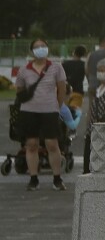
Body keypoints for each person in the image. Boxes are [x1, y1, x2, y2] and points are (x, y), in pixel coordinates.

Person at [15, 39, 68, 191]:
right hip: (29, 111)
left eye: (43, 46)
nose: (41, 49)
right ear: (31, 51)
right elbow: (19, 90)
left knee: (52, 144)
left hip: (49, 110)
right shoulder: (24, 70)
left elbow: (61, 89)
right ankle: (33, 178)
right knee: (31, 145)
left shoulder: (56, 68)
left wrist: (57, 106)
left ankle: (57, 178)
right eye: (37, 47)